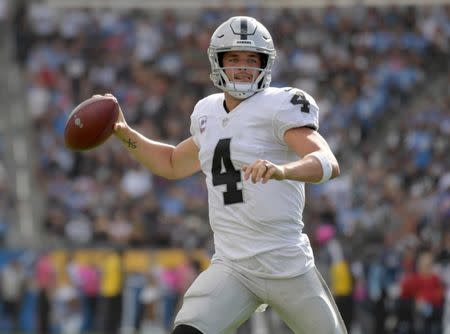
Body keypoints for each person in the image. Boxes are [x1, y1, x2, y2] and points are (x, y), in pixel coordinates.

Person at [111, 16, 347, 334]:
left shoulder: (279, 104)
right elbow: (170, 163)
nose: (243, 67)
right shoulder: (207, 112)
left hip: (285, 262)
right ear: (218, 61)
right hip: (233, 265)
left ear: (265, 64)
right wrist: (123, 132)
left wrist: (282, 171)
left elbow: (327, 161)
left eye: (252, 59)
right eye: (234, 58)